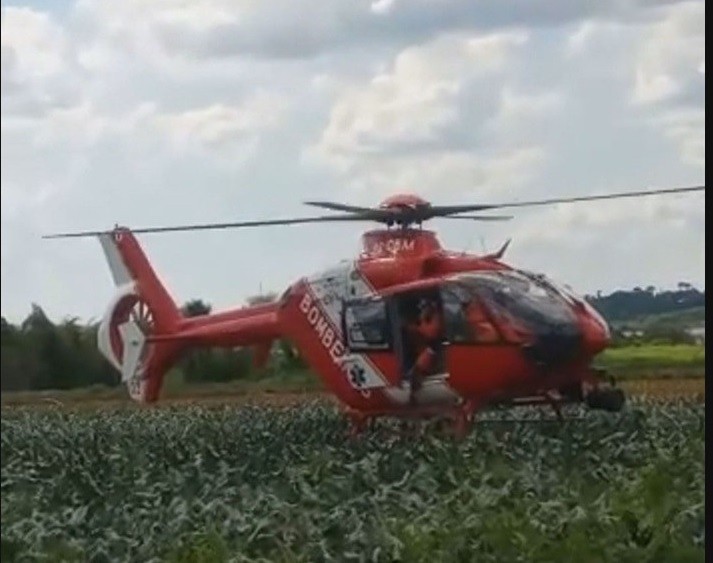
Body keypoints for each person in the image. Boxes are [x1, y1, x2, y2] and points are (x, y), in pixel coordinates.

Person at [403, 297, 444, 401]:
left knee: (419, 366)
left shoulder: (437, 317)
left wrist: (417, 328)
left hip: (435, 347)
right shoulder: (430, 317)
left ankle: (414, 393)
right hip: (428, 347)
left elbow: (432, 332)